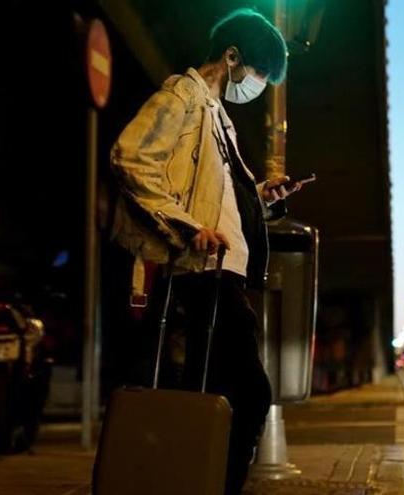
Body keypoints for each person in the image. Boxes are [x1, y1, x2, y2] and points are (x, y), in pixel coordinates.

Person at [109, 8, 296, 493]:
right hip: (199, 272)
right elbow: (130, 158)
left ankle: (201, 481)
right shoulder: (182, 96)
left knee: (216, 393)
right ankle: (216, 485)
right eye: (256, 73)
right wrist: (186, 227)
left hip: (224, 272)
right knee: (249, 393)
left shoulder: (220, 119)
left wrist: (262, 200)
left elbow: (221, 198)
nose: (254, 85)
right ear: (231, 56)